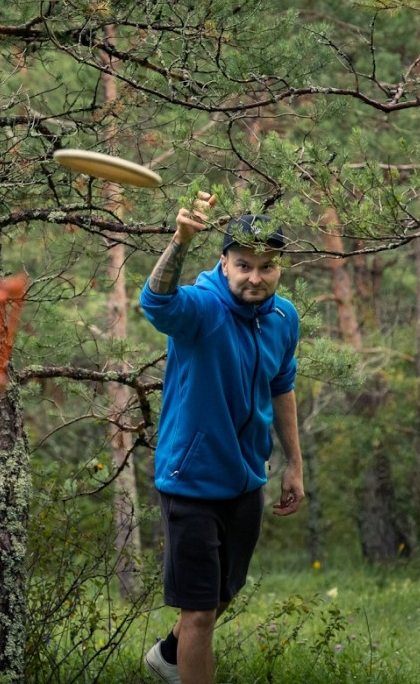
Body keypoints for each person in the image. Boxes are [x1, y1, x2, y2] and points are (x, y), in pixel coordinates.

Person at [138, 194, 305, 684]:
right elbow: (156, 300)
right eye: (244, 265)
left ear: (279, 267)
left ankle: (169, 655)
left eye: (267, 266)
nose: (255, 277)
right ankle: (183, 659)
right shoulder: (201, 308)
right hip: (191, 480)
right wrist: (179, 241)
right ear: (224, 263)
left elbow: (282, 384)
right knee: (201, 613)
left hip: (246, 479)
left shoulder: (283, 318)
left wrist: (294, 463)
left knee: (224, 594)